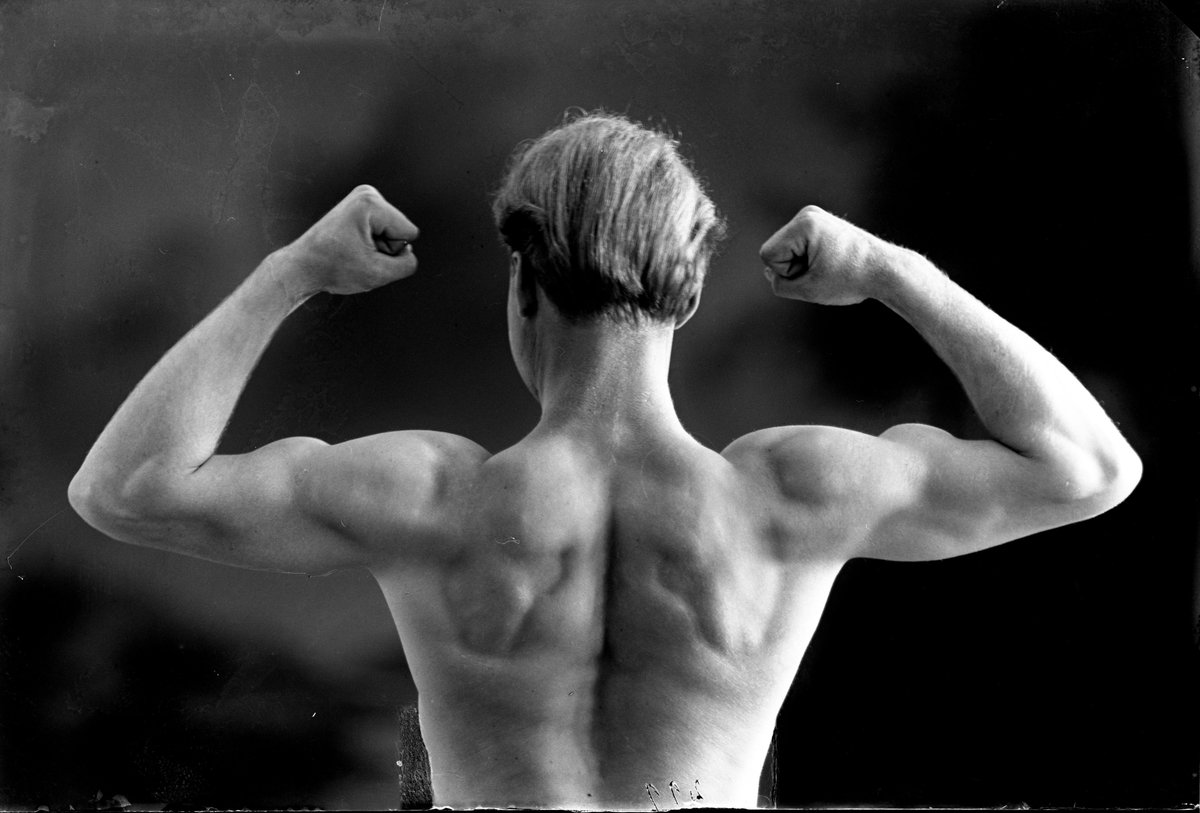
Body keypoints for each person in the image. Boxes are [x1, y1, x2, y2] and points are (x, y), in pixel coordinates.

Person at [69, 113, 1142, 810]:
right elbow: (1090, 468)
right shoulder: (790, 494)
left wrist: (292, 270)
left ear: (523, 285)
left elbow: (123, 488)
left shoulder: (431, 496)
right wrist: (893, 272)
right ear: (686, 295)